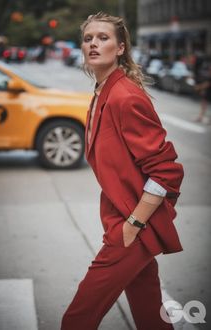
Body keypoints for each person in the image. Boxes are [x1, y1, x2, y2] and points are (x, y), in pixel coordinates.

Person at [61, 12, 184, 330]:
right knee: (149, 314)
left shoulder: (125, 97)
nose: (93, 44)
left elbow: (166, 171)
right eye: (88, 38)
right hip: (122, 220)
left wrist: (134, 223)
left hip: (133, 228)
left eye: (103, 38)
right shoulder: (103, 92)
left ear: (120, 48)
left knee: (77, 319)